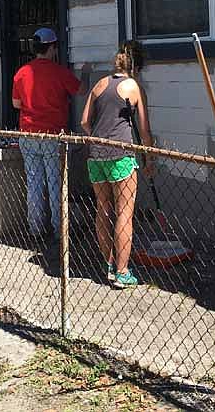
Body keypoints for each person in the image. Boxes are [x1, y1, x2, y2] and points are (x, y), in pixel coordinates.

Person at [80, 40, 153, 289]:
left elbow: (84, 122)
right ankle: (122, 272)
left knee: (103, 209)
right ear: (137, 67)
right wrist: (148, 158)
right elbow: (144, 130)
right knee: (124, 213)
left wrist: (98, 138)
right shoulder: (133, 86)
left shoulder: (100, 84)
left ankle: (109, 265)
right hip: (121, 155)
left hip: (95, 155)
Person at [12, 27, 82, 242]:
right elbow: (80, 90)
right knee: (54, 182)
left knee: (34, 181)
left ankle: (35, 229)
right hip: (52, 135)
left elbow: (16, 104)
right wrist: (85, 72)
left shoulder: (21, 73)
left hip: (27, 133)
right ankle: (59, 229)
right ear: (52, 48)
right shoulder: (60, 72)